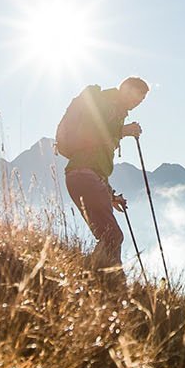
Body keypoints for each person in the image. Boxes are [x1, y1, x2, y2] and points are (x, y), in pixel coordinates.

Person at [55, 77, 150, 269]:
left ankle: (92, 276)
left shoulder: (116, 111)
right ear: (124, 88)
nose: (135, 104)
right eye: (134, 97)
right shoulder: (105, 103)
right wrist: (122, 130)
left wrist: (110, 195)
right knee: (112, 236)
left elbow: (97, 161)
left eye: (139, 102)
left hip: (84, 176)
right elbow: (89, 131)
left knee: (110, 236)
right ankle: (103, 282)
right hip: (83, 175)